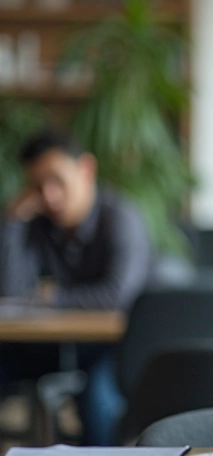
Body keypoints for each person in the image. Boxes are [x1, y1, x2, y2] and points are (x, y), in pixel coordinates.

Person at [0, 128, 152, 445]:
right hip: (54, 346)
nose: (49, 196)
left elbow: (116, 296)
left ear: (86, 169)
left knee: (96, 399)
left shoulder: (121, 217)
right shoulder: (39, 223)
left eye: (57, 181)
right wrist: (13, 222)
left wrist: (53, 296)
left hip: (114, 349)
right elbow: (10, 291)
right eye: (37, 186)